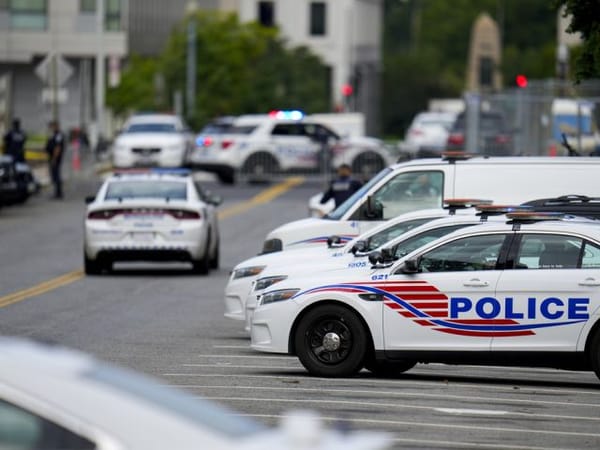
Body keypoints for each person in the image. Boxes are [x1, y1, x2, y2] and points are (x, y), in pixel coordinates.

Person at [45, 120, 65, 199]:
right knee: (54, 175)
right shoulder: (54, 134)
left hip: (55, 158)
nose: (51, 128)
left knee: (56, 175)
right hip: (53, 158)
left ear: (56, 126)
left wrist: (54, 158)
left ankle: (58, 193)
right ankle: (57, 192)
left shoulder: (58, 135)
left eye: (52, 126)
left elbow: (58, 148)